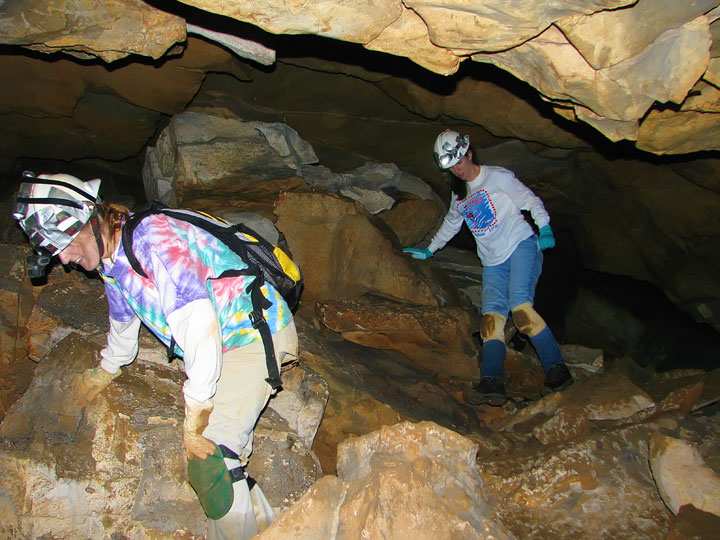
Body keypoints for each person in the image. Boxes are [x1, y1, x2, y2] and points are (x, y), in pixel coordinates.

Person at [12, 171, 297, 539]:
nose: (63, 259)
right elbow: (122, 321)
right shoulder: (113, 262)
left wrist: (197, 410)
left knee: (211, 463)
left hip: (254, 336)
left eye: (63, 243)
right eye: (54, 252)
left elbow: (199, 324)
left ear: (89, 219)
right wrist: (107, 368)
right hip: (228, 342)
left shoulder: (153, 238)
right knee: (228, 464)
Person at [403, 130, 572, 399]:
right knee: (491, 321)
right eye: (451, 166)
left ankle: (557, 369)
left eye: (459, 162)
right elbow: (451, 223)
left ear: (469, 154)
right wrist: (429, 251)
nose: (457, 170)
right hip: (492, 262)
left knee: (520, 308)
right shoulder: (459, 194)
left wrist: (544, 228)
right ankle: (491, 381)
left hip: (521, 246)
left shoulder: (497, 177)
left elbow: (530, 200)